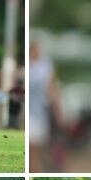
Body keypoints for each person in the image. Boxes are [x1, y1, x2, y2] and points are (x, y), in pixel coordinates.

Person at [29, 39, 64, 172]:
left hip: (41, 111)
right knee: (32, 148)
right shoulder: (29, 66)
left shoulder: (46, 66)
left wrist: (58, 110)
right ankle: (35, 170)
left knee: (38, 148)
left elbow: (52, 88)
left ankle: (40, 169)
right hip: (30, 112)